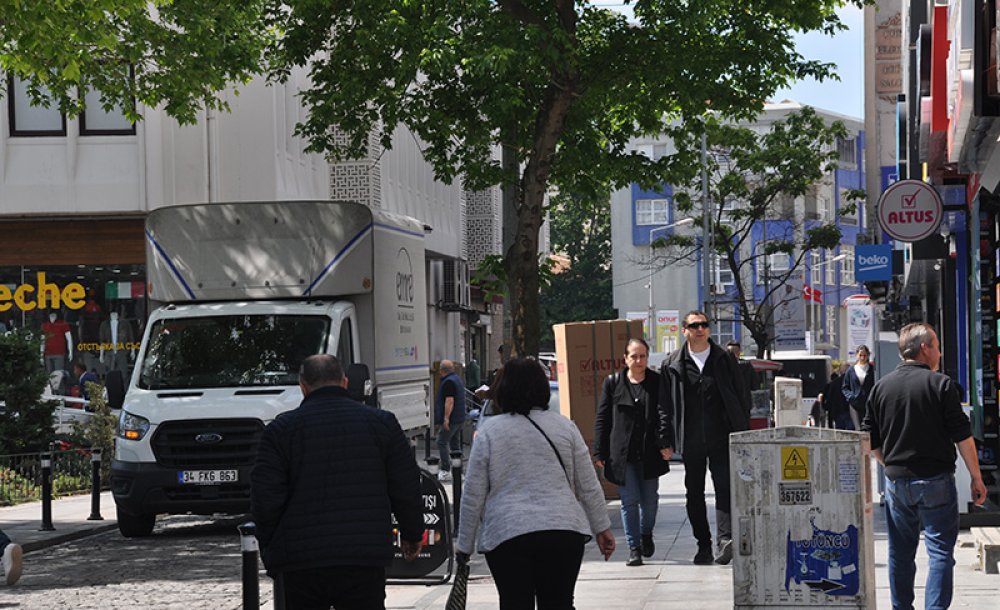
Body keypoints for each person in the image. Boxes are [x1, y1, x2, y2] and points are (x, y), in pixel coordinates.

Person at [251, 354, 424, 610]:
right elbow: (405, 485)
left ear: (303, 387)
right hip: (362, 557)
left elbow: (265, 498)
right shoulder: (381, 423)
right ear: (344, 382)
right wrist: (412, 534)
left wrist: (270, 549)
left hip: (300, 560)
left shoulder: (281, 430)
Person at [456, 358, 615, 608]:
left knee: (514, 602)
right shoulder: (565, 427)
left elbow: (473, 494)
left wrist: (464, 546)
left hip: (508, 534)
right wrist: (602, 528)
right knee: (559, 602)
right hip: (563, 531)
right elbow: (588, 485)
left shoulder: (490, 432)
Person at [862, 323, 987, 610]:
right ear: (924, 349)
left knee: (900, 553)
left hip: (897, 484)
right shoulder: (941, 385)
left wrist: (888, 462)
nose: (940, 353)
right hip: (936, 482)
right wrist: (976, 477)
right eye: (938, 346)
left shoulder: (881, 387)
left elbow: (867, 439)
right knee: (941, 552)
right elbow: (962, 437)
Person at [661, 311, 751, 565]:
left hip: (721, 436)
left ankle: (725, 540)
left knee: (724, 488)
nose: (700, 329)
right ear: (685, 330)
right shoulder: (672, 364)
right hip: (690, 440)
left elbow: (740, 395)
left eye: (704, 325)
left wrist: (741, 427)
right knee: (694, 492)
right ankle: (703, 544)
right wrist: (664, 439)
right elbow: (664, 405)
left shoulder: (724, 358)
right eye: (694, 325)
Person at [594, 337, 673, 567]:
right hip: (622, 453)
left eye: (643, 356)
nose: (639, 361)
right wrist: (599, 451)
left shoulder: (657, 382)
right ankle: (634, 548)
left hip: (650, 452)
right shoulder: (613, 383)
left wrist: (666, 443)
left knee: (650, 502)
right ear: (625, 359)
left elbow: (665, 415)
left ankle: (646, 533)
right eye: (634, 356)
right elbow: (603, 418)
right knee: (629, 501)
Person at [435, 359, 467, 481]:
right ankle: (458, 470)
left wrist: (446, 419)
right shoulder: (457, 379)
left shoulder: (448, 382)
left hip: (452, 419)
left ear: (441, 370)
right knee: (455, 444)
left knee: (441, 441)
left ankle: (446, 469)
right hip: (459, 418)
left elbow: (449, 401)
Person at [842, 345, 874, 431]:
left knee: (868, 427)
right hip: (855, 404)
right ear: (857, 355)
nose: (862, 358)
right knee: (858, 428)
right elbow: (845, 387)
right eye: (860, 355)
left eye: (865, 355)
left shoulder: (872, 369)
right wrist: (851, 397)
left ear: (868, 356)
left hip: (868, 403)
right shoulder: (851, 370)